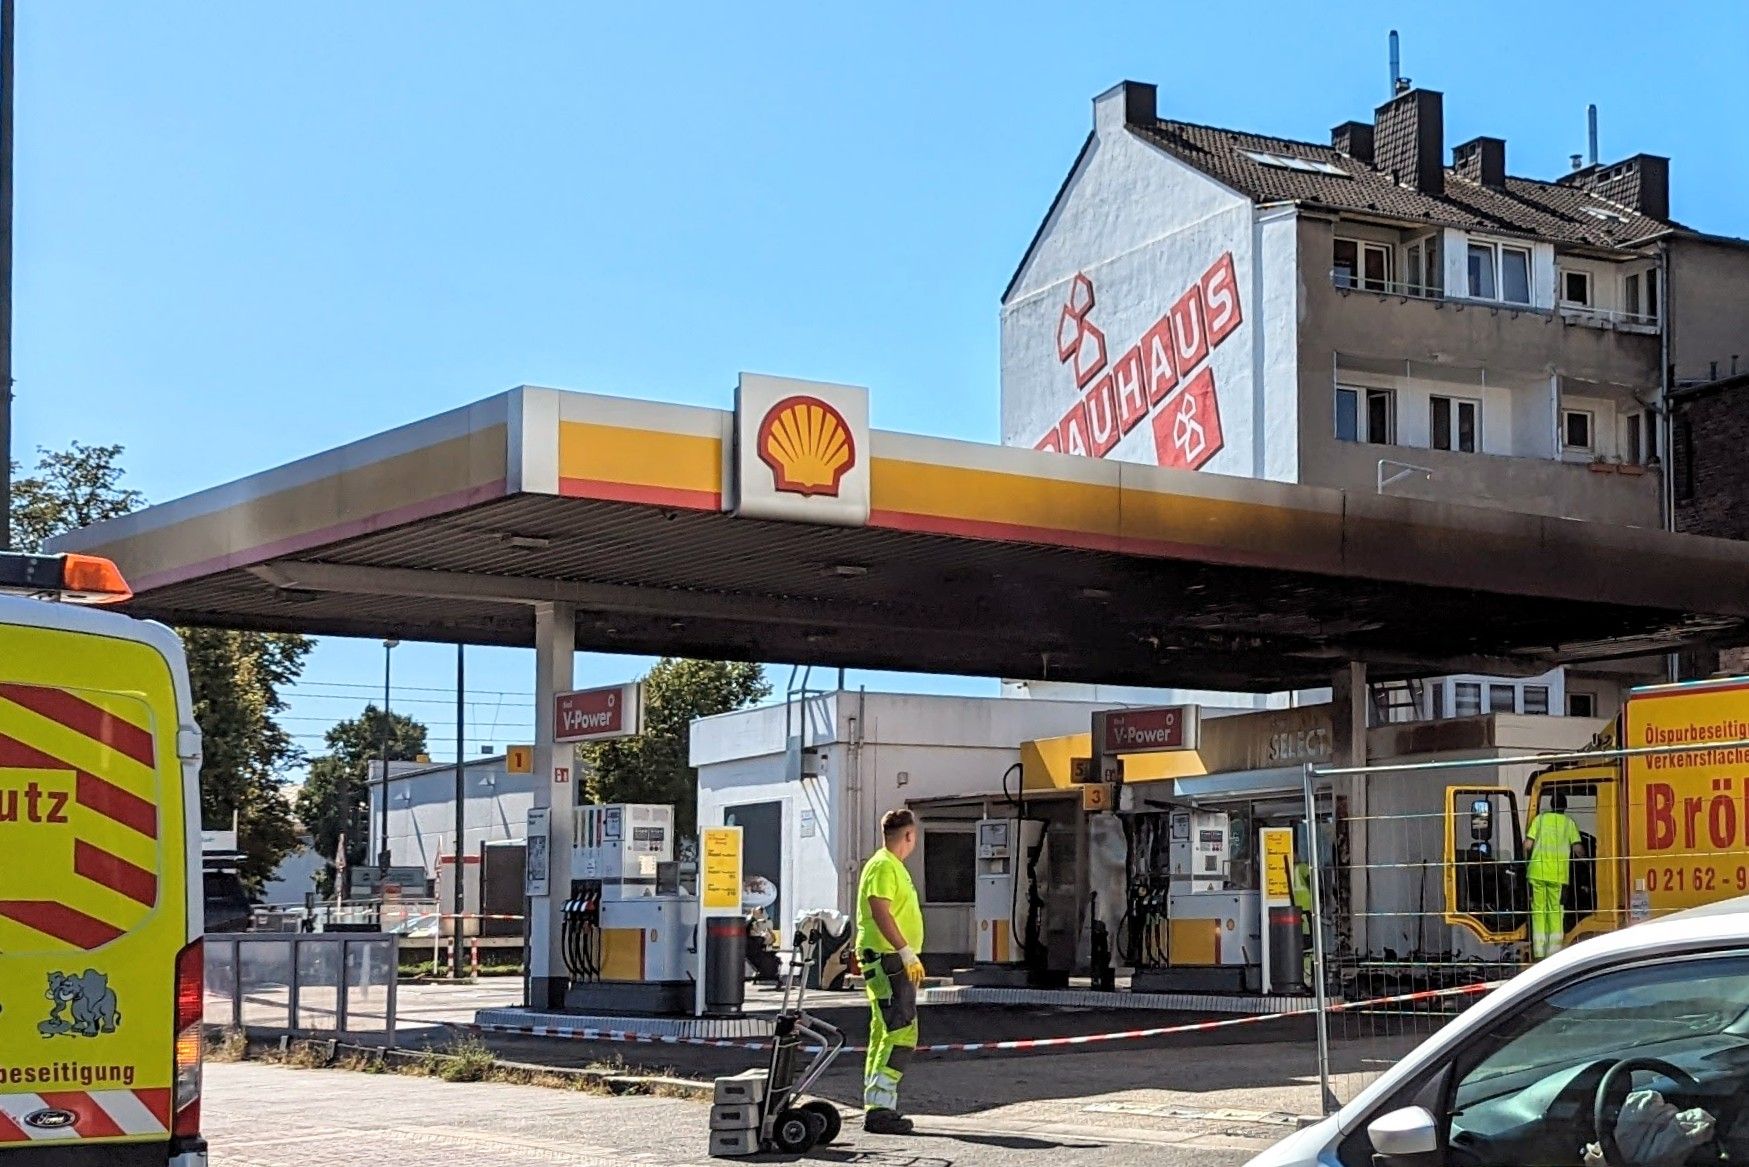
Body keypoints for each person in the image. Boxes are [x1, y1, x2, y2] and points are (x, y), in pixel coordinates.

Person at [855, 808, 925, 1135]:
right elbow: (879, 909)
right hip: (889, 959)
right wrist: (905, 950)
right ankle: (881, 1108)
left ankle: (877, 1103)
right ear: (908, 836)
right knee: (901, 1031)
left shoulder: (890, 865)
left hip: (887, 958)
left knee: (883, 1031)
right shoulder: (884, 865)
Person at [1525, 791, 1584, 960]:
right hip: (1557, 876)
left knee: (1538, 911)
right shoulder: (1568, 824)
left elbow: (1528, 845)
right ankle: (1553, 953)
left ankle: (1538, 951)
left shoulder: (1540, 820)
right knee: (1555, 911)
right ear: (1564, 807)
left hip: (1536, 872)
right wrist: (1588, 861)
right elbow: (1578, 849)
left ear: (1551, 805)